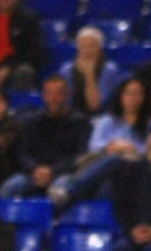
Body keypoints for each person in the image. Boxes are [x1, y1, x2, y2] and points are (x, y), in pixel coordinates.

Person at [48, 78, 151, 210]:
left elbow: (147, 152)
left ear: (144, 97)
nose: (133, 98)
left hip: (133, 169)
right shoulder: (107, 121)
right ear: (121, 96)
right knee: (98, 184)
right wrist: (111, 146)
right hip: (102, 168)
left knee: (116, 159)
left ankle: (69, 191)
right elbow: (94, 145)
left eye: (138, 94)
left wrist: (130, 148)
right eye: (129, 93)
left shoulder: (148, 124)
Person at [0, 74, 90, 198]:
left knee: (58, 191)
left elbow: (80, 156)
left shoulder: (80, 122)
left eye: (59, 93)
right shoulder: (32, 121)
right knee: (8, 188)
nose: (54, 98)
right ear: (44, 96)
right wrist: (34, 169)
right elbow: (22, 151)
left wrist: (53, 171)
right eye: (49, 93)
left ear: (67, 95)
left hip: (64, 173)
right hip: (33, 173)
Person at [56, 27, 122, 119]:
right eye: (83, 46)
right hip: (72, 120)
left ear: (99, 49)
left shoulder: (110, 70)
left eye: (92, 46)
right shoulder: (66, 70)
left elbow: (94, 106)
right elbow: (65, 102)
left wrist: (89, 75)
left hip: (101, 118)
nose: (87, 51)